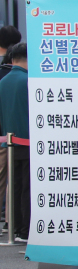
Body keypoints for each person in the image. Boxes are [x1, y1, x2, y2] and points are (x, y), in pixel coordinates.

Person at [0, 44, 28, 241]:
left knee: (15, 186)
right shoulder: (28, 81)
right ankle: (26, 229)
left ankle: (16, 228)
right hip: (29, 141)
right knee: (28, 187)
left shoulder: (3, 81)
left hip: (9, 142)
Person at [0, 24, 19, 228]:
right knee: (14, 179)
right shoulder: (20, 70)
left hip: (5, 134)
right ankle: (11, 220)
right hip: (14, 133)